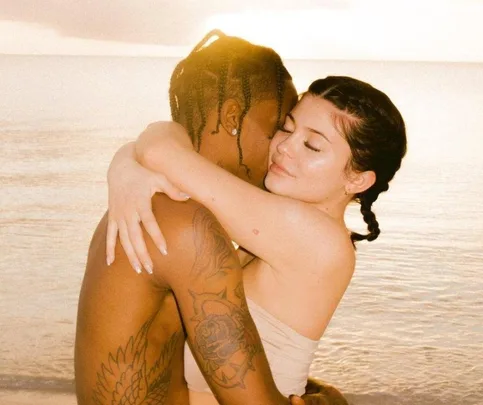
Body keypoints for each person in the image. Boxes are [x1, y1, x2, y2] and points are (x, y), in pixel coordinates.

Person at [106, 73, 407, 404]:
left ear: (357, 179)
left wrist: (124, 168)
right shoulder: (283, 224)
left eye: (312, 145)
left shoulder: (315, 238)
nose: (284, 147)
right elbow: (159, 153)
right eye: (287, 128)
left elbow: (161, 148)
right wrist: (127, 165)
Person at [75, 30, 338, 405]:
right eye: (278, 126)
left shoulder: (157, 198)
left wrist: (127, 159)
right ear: (234, 116)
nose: (281, 147)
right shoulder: (187, 226)